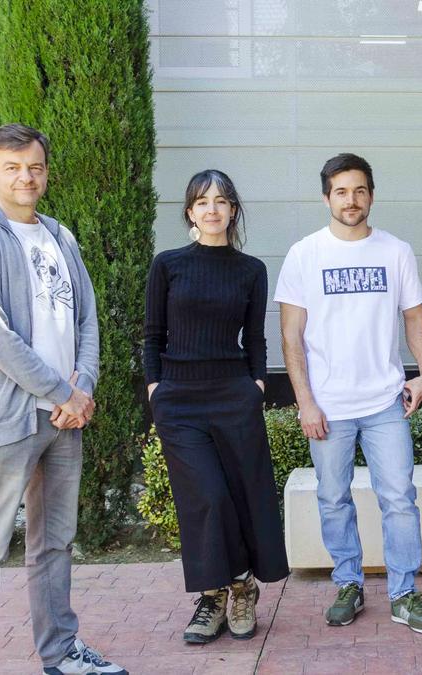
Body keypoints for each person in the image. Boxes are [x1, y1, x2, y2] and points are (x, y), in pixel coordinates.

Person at [0, 123, 126, 675]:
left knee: (54, 544)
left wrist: (84, 387)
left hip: (63, 418)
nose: (26, 176)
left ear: (46, 172)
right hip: (7, 416)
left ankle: (60, 652)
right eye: (12, 167)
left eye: (35, 167)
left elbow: (87, 319)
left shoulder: (60, 237)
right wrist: (62, 391)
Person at [275, 153, 422, 635]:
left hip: (385, 401)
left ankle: (404, 592)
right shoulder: (305, 254)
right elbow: (291, 335)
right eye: (342, 191)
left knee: (400, 499)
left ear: (371, 195)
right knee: (332, 498)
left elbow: (414, 315)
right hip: (328, 405)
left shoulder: (395, 250)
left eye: (360, 190)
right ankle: (348, 582)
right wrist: (305, 401)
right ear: (327, 196)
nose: (352, 199)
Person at [143, 169, 289, 644]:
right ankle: (217, 593)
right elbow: (153, 336)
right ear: (189, 211)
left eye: (221, 201)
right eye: (202, 201)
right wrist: (154, 389)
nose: (212, 209)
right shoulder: (167, 265)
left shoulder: (251, 271)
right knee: (206, 496)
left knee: (241, 493)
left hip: (234, 397)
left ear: (233, 211)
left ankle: (238, 589)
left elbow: (256, 339)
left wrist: (258, 385)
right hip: (179, 402)